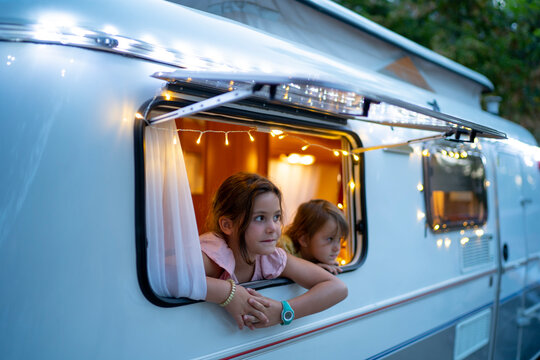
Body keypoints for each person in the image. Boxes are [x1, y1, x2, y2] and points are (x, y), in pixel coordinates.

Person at [201, 172, 348, 330]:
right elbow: (172, 277)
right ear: (227, 225)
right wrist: (229, 293)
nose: (273, 228)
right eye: (260, 218)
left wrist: (282, 311)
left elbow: (338, 287)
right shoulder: (215, 254)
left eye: (276, 217)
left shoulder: (270, 257)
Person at [279, 199, 349, 275]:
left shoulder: (319, 257)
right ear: (304, 239)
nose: (337, 248)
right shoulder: (283, 251)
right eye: (330, 239)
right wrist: (312, 270)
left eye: (339, 239)